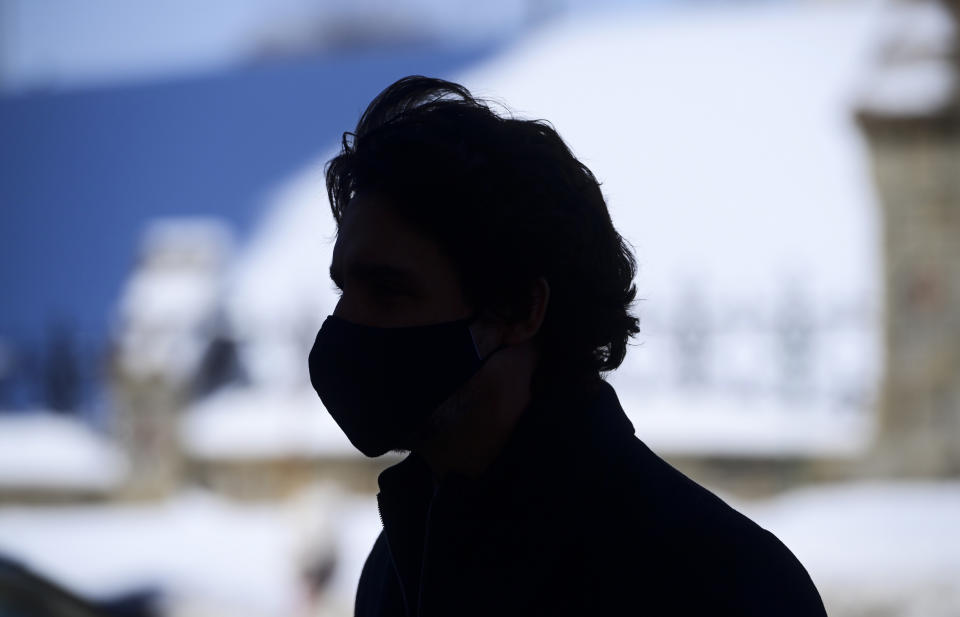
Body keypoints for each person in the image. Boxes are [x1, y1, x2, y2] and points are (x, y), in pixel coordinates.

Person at [307, 75, 827, 617]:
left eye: (389, 291)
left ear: (521, 310)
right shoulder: (400, 564)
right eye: (345, 289)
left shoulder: (718, 583)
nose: (346, 324)